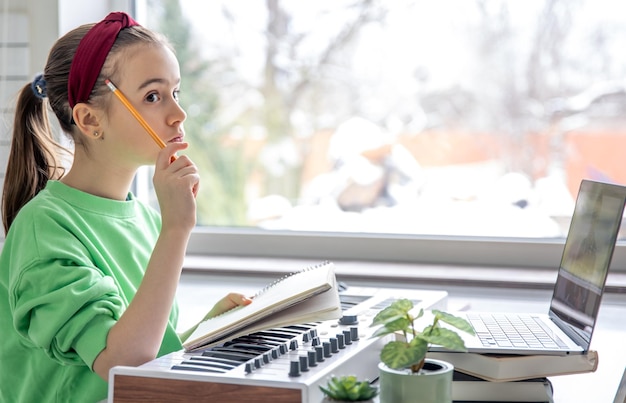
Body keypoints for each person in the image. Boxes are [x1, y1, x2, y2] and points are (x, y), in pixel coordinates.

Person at [0, 11, 251, 402]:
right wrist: (177, 229)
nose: (178, 114)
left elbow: (143, 353)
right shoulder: (45, 229)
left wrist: (205, 330)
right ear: (89, 119)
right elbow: (123, 365)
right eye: (153, 96)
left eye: (176, 92)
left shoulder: (146, 220)